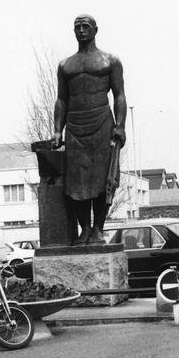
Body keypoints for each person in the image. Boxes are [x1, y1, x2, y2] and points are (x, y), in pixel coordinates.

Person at [52, 14, 127, 244]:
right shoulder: (66, 65)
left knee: (104, 180)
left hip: (102, 123)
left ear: (95, 30)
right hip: (75, 127)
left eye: (85, 26)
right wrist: (57, 129)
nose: (81, 30)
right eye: (77, 27)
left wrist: (120, 126)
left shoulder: (109, 61)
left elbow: (120, 95)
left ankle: (98, 229)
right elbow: (61, 100)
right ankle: (84, 228)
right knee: (77, 183)